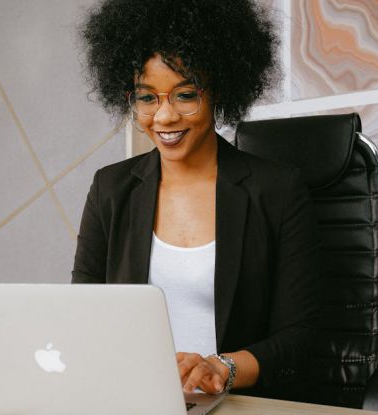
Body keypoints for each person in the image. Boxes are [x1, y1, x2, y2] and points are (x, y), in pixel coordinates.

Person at [72, 0, 320, 401]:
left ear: (219, 89)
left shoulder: (277, 190)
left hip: (239, 403)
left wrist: (223, 367)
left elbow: (302, 336)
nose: (164, 117)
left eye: (185, 95)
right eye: (147, 98)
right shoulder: (112, 188)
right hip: (133, 400)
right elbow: (84, 310)